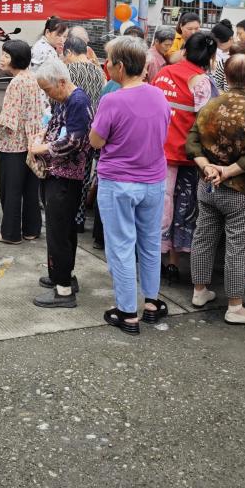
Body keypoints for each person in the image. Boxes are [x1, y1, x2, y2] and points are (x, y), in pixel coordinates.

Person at [90, 36, 171, 331]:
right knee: (150, 242)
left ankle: (127, 311)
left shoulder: (112, 99)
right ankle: (151, 302)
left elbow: (96, 140)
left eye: (109, 61)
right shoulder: (159, 96)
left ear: (120, 66)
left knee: (122, 246)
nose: (107, 66)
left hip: (119, 181)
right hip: (153, 179)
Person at [187, 54, 245, 324]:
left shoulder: (210, 106)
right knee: (239, 246)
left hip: (208, 185)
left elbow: (191, 144)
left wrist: (209, 167)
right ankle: (235, 306)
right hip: (242, 190)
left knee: (203, 236)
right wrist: (228, 171)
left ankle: (199, 290)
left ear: (225, 76)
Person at [153, 31, 217, 281]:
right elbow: (208, 123)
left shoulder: (164, 74)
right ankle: (173, 262)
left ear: (185, 50)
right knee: (185, 208)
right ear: (210, 56)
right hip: (189, 155)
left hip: (160, 152)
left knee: (161, 205)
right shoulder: (201, 81)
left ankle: (154, 258)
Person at [30, 58, 93, 309]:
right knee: (61, 230)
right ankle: (62, 276)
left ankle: (64, 290)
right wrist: (40, 138)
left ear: (62, 82)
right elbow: (54, 127)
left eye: (48, 89)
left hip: (67, 176)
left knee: (59, 232)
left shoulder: (77, 101)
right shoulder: (65, 100)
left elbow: (75, 141)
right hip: (58, 173)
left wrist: (42, 147)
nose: (48, 94)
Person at [0, 39, 45, 244]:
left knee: (10, 191)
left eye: (6, 55)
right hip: (32, 143)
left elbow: (9, 119)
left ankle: (10, 233)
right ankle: (31, 229)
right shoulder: (33, 78)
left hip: (13, 145)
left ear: (16, 59)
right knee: (29, 190)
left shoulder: (16, 83)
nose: (2, 58)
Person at [64, 31, 106, 246]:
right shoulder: (99, 72)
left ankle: (71, 217)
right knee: (86, 174)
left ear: (69, 52)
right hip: (95, 130)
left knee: (70, 174)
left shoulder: (68, 70)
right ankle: (80, 219)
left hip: (73, 129)